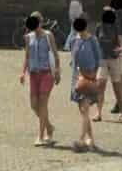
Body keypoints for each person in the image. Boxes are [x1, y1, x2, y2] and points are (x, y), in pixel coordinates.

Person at [20, 11, 62, 147]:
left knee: (43, 103)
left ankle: (41, 135)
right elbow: (27, 56)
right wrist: (22, 72)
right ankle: (49, 126)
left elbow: (56, 55)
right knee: (34, 105)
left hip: (46, 73)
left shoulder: (48, 35)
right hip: (33, 74)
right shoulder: (28, 37)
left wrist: (57, 70)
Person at [68, 14, 100, 154]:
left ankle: (81, 140)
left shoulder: (92, 40)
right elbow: (72, 58)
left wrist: (95, 76)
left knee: (85, 109)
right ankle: (91, 140)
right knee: (83, 112)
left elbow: (98, 59)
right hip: (77, 79)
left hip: (89, 78)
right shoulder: (73, 40)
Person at [93, 5, 122, 122]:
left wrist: (121, 48)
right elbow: (95, 41)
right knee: (100, 86)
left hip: (114, 59)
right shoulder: (98, 27)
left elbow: (121, 42)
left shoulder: (116, 27)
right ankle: (98, 113)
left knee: (117, 87)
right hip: (102, 59)